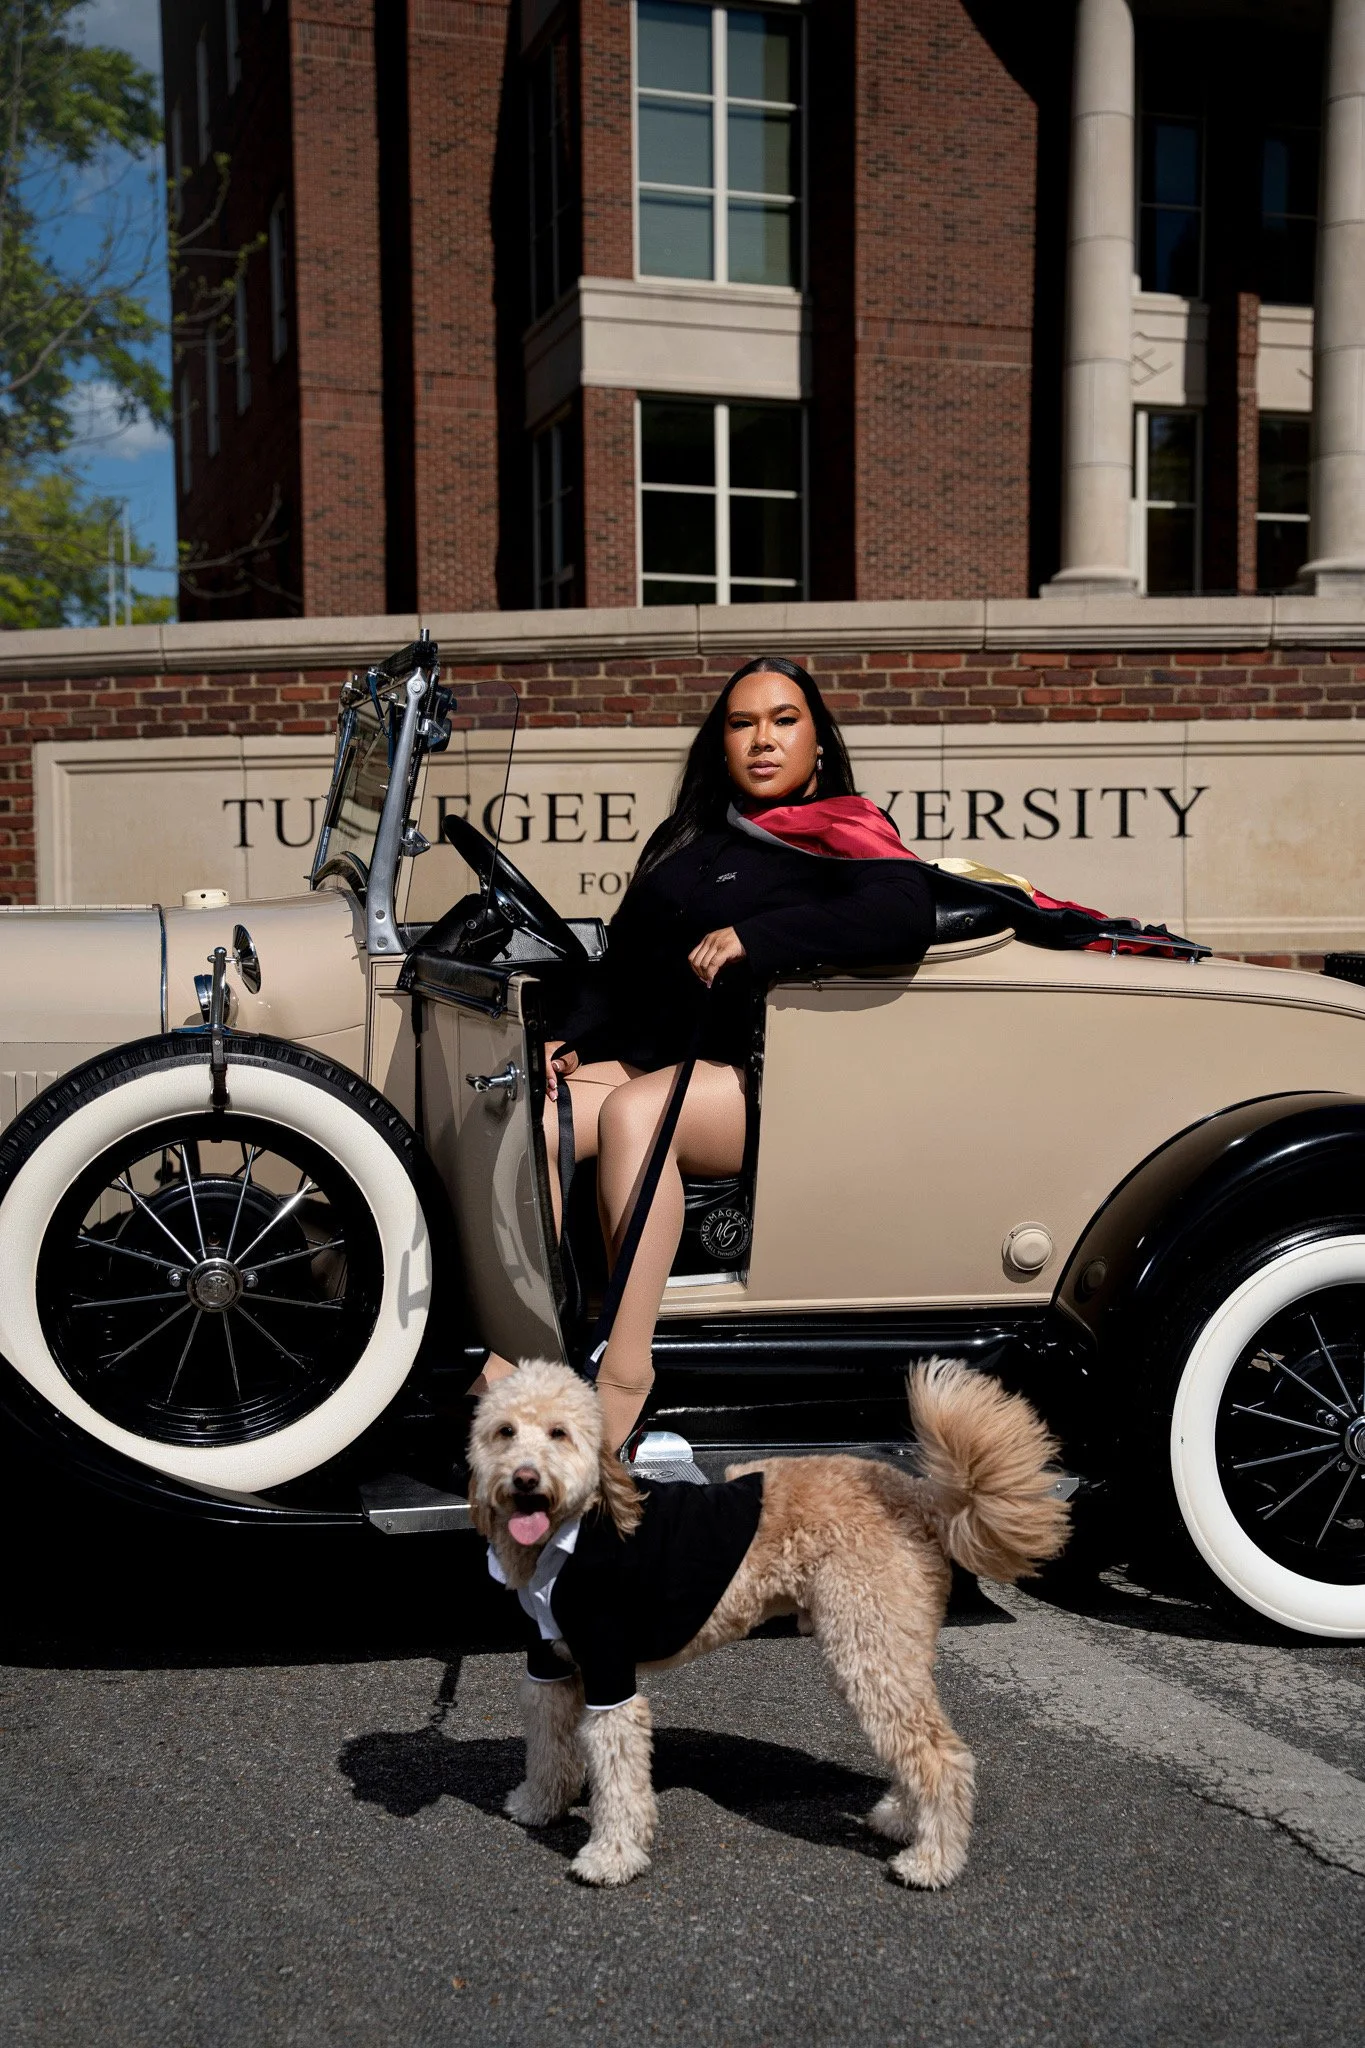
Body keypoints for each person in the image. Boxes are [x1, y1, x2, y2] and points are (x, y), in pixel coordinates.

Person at [473, 655, 936, 1453]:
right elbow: (621, 966)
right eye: (741, 723)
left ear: (816, 739)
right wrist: (571, 1039)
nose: (763, 739)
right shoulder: (685, 838)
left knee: (634, 1114)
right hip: (662, 1057)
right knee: (529, 1112)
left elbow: (904, 915)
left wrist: (758, 938)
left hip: (770, 1079)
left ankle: (623, 1374)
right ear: (719, 743)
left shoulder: (845, 828)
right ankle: (533, 1351)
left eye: (783, 720)